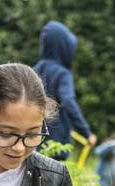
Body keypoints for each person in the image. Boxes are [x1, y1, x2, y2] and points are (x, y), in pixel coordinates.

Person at [34, 21, 97, 161]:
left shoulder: (33, 70)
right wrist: (86, 133)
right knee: (53, 180)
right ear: (64, 47)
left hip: (32, 139)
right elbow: (68, 101)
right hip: (56, 142)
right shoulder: (62, 74)